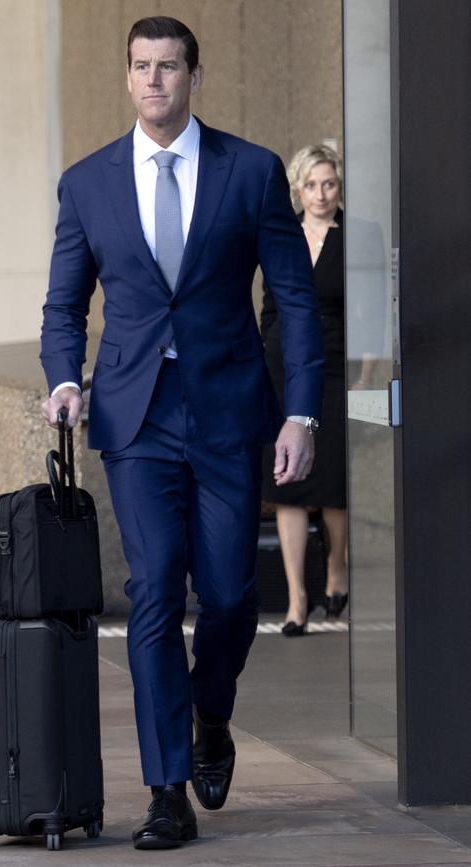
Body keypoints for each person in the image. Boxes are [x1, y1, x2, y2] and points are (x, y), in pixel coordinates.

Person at [40, 17, 323, 850]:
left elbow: (296, 301)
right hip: (137, 417)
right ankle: (166, 789)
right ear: (127, 77)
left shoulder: (252, 172)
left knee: (232, 595)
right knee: (158, 590)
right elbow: (63, 305)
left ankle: (210, 714)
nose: (154, 80)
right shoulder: (87, 183)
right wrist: (63, 378)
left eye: (169, 67)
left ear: (196, 76)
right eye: (140, 67)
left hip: (232, 411)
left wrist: (300, 411)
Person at [260, 144, 349, 636]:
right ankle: (296, 602)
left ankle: (337, 569)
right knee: (286, 484)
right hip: (284, 367)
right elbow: (270, 307)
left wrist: (367, 373)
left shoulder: (359, 236)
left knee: (335, 486)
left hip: (338, 368)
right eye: (311, 185)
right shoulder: (282, 233)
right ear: (297, 189)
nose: (320, 194)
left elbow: (372, 310)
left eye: (329, 183)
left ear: (339, 186)